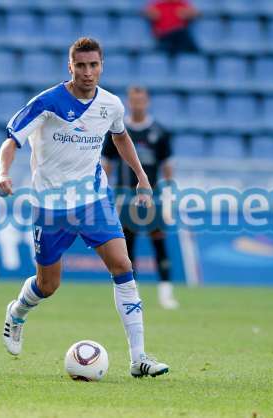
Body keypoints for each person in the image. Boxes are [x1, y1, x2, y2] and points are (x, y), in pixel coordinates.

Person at [0, 38, 169, 378]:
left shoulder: (111, 104)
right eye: (81, 65)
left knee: (122, 265)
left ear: (101, 66)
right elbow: (11, 142)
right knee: (48, 285)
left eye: (94, 65)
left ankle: (138, 358)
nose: (87, 72)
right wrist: (3, 173)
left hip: (93, 200)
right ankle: (16, 313)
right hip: (50, 206)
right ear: (70, 67)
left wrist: (141, 176)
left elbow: (120, 136)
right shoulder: (47, 103)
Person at [102, 86, 179, 310]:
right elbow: (107, 164)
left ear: (147, 102)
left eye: (141, 100)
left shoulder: (159, 132)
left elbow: (167, 167)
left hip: (152, 198)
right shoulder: (117, 129)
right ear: (129, 102)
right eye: (134, 100)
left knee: (159, 244)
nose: (138, 104)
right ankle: (131, 295)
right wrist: (104, 193)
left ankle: (166, 294)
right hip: (125, 198)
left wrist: (168, 195)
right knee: (127, 248)